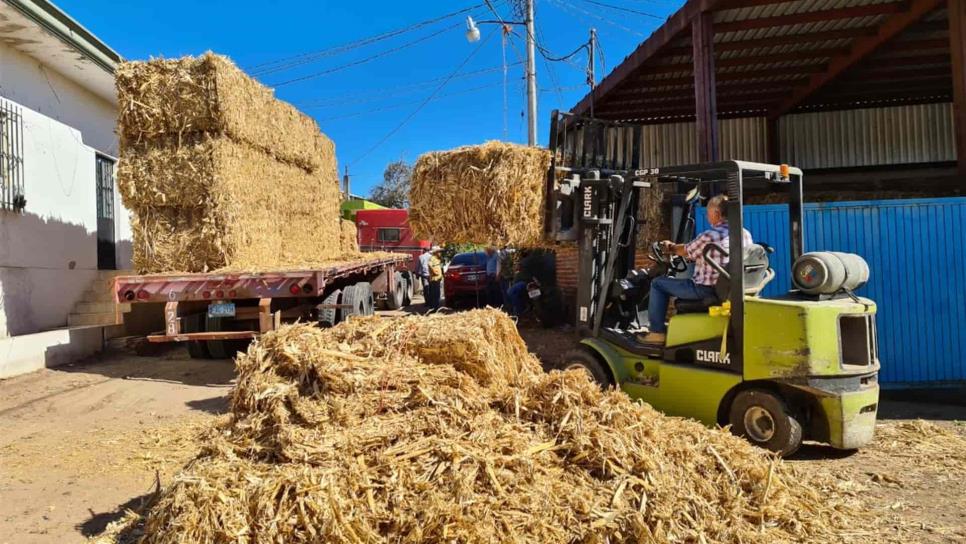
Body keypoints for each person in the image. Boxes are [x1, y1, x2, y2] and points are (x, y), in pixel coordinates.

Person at [640, 195, 753, 345]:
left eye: (708, 213)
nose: (707, 217)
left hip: (704, 289)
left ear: (717, 214)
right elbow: (698, 254)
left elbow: (685, 250)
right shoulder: (743, 233)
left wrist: (670, 247)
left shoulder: (709, 236)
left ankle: (656, 333)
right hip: (728, 289)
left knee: (658, 284)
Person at [506, 249, 556, 317]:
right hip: (541, 283)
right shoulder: (545, 259)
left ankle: (519, 312)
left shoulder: (526, 262)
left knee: (510, 292)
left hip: (528, 283)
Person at [424, 246, 444, 311]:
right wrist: (435, 272)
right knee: (435, 294)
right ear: (435, 252)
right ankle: (434, 307)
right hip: (434, 278)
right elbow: (429, 265)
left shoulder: (437, 258)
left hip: (438, 278)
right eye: (439, 252)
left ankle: (435, 307)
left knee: (436, 293)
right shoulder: (432, 258)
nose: (440, 253)